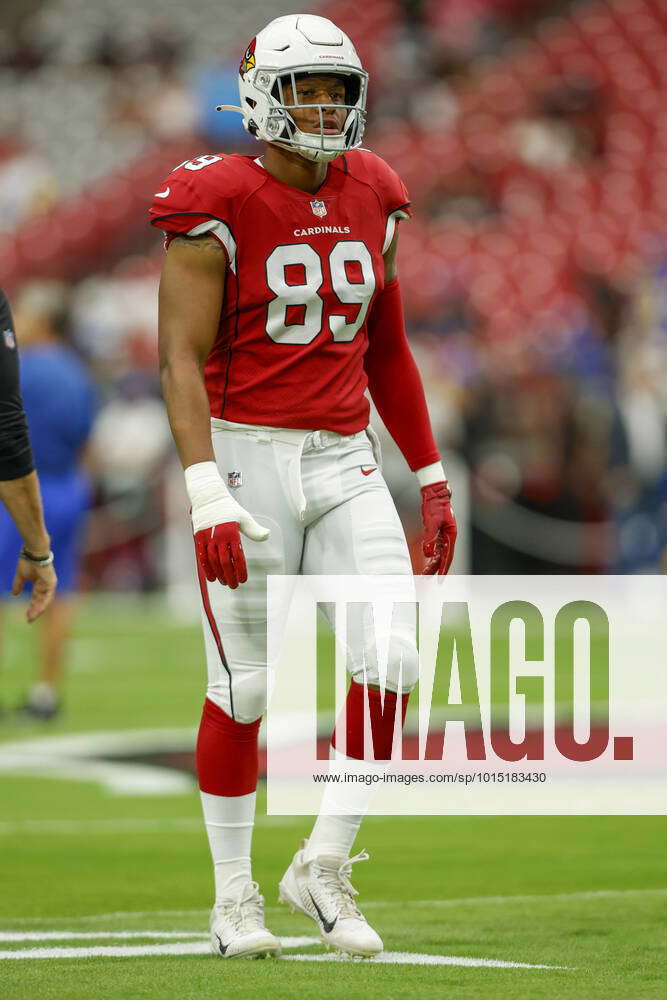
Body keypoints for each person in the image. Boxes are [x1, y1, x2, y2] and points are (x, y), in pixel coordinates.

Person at [151, 13, 457, 960]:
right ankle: (232, 895)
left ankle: (321, 864)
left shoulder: (377, 190)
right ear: (259, 97)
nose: (323, 108)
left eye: (337, 90)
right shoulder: (216, 198)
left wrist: (432, 476)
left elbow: (389, 349)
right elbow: (178, 358)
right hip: (245, 455)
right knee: (243, 685)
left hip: (342, 453)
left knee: (396, 662)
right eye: (304, 90)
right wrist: (205, 490)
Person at [0, 282, 96, 718]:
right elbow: (86, 440)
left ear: (41, 320)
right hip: (69, 487)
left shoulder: (19, 366)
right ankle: (47, 693)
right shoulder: (79, 372)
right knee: (63, 588)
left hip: (19, 491)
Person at [0, 286, 56, 627]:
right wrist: (37, 549)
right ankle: (47, 682)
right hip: (44, 484)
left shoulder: (36, 367)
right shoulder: (73, 371)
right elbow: (6, 428)